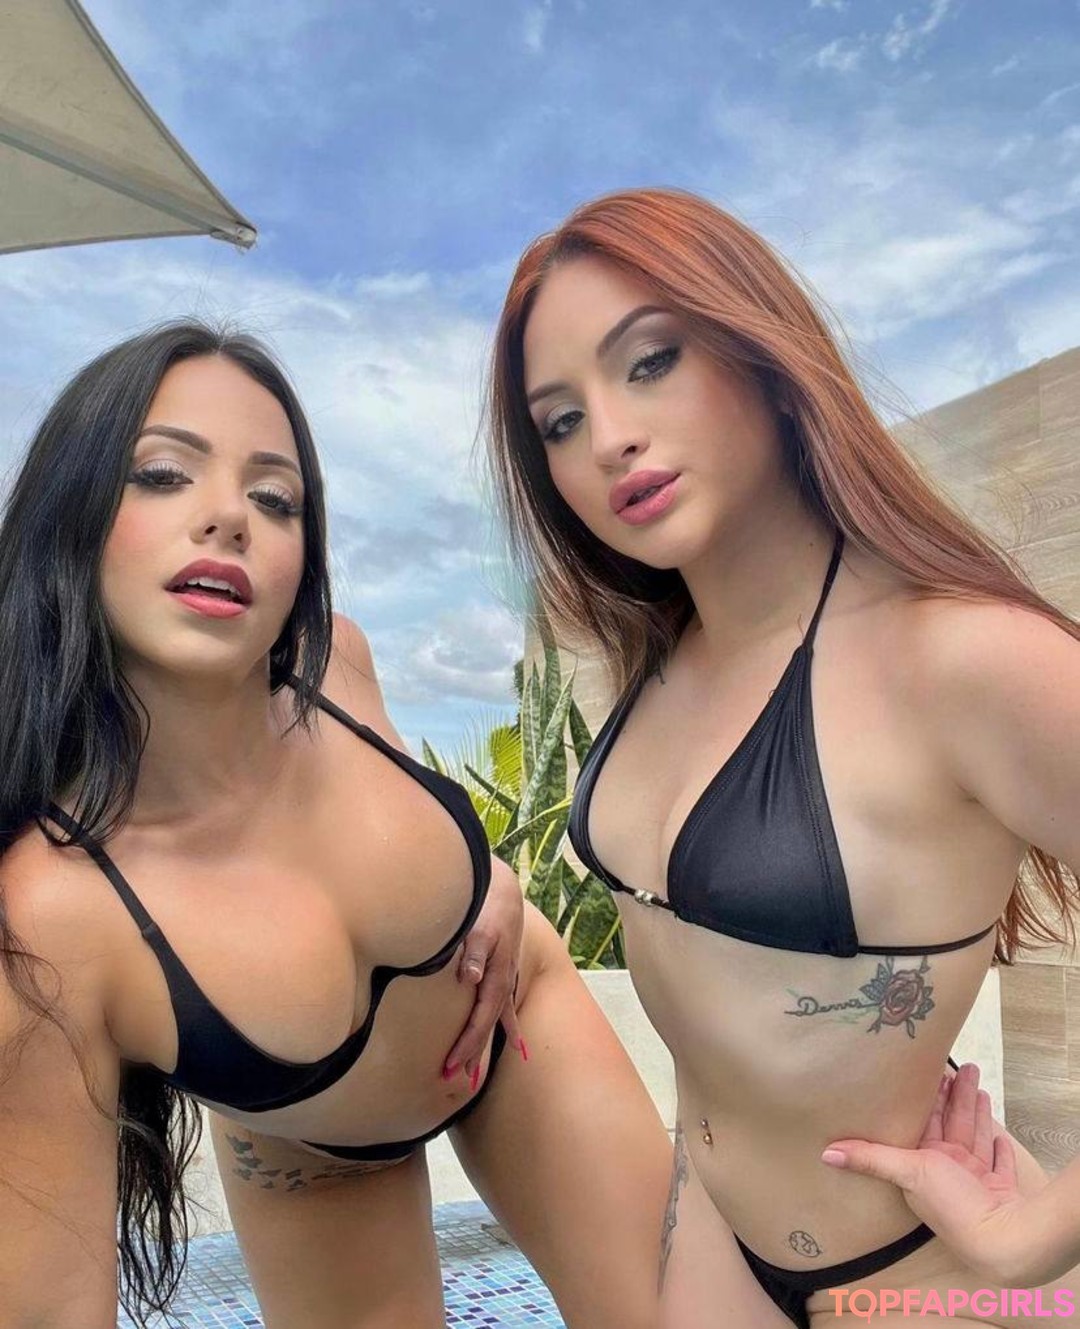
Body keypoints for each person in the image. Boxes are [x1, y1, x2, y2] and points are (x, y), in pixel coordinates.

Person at [485, 186, 1080, 1328]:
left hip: (919, 1276)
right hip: (716, 1247)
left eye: (650, 361)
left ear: (761, 347)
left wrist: (1034, 1239)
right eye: (558, 421)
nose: (608, 438)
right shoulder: (659, 659)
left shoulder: (957, 658)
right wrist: (491, 903)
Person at [0, 322, 673, 1329]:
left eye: (275, 498)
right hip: (314, 1153)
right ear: (72, 512)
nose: (229, 516)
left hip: (518, 1019)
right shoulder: (50, 913)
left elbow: (405, 802)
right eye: (164, 475)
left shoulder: (337, 663)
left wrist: (492, 879)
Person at [823, 1060, 1080, 1288]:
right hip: (953, 1166)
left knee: (1063, 1308)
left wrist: (1024, 1249)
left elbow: (1023, 1255)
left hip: (937, 1225)